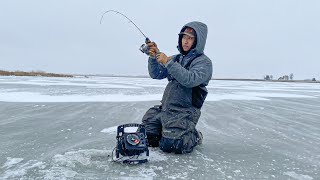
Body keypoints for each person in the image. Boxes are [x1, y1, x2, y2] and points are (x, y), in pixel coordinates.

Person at [141, 21, 213, 154]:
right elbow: (156, 74)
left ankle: (194, 136)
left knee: (172, 145)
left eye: (190, 38)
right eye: (184, 37)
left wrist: (168, 62)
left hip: (184, 111)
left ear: (198, 41)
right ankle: (169, 131)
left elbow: (190, 79)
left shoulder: (204, 63)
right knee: (147, 136)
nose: (186, 41)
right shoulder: (176, 58)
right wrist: (153, 57)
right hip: (166, 108)